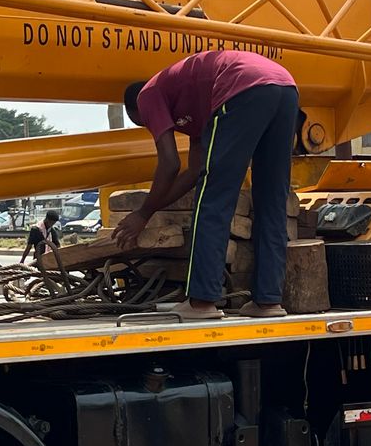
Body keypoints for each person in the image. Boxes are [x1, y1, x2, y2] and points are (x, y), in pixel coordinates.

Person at [114, 50, 299, 321]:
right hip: (285, 87)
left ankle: (201, 302)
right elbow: (194, 171)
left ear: (138, 112)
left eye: (146, 123)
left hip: (243, 85)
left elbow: (170, 163)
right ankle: (268, 301)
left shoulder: (147, 95)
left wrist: (142, 214)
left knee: (213, 198)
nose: (153, 127)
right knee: (272, 198)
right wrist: (151, 209)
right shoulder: (193, 100)